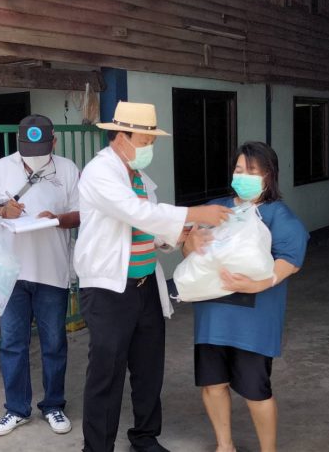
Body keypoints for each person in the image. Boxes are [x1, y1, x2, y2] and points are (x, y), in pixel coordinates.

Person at [75, 101, 233, 452]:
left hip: (145, 285)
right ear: (122, 137)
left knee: (148, 369)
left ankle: (145, 438)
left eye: (152, 142)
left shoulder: (138, 176)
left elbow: (150, 227)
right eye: (145, 141)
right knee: (106, 373)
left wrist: (180, 235)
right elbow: (136, 213)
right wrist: (195, 212)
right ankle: (97, 447)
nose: (149, 148)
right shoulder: (100, 172)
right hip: (110, 291)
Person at [183, 142, 308, 452]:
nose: (243, 176)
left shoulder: (277, 214)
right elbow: (191, 250)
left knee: (256, 390)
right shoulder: (216, 209)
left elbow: (290, 258)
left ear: (269, 175)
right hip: (213, 312)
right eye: (239, 170)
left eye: (252, 171)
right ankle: (224, 445)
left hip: (254, 317)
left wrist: (261, 283)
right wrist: (189, 243)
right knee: (213, 384)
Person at [0, 115, 80, 436]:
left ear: (54, 142)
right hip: (11, 273)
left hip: (52, 270)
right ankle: (16, 409)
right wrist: (1, 211)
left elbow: (82, 214)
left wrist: (57, 219)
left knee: (54, 343)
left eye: (41, 150)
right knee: (12, 344)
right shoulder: (1, 168)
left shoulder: (67, 169)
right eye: (28, 151)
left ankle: (54, 405)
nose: (34, 157)